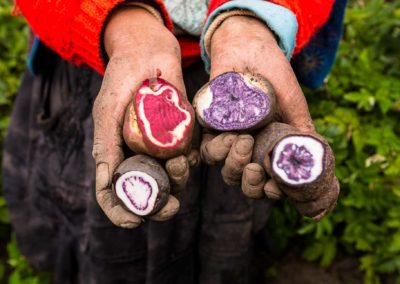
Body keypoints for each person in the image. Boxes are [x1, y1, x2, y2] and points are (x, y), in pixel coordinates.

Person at [3, 0, 346, 283]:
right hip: (104, 60)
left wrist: (253, 16)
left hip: (240, 57)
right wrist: (124, 23)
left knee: (230, 202)